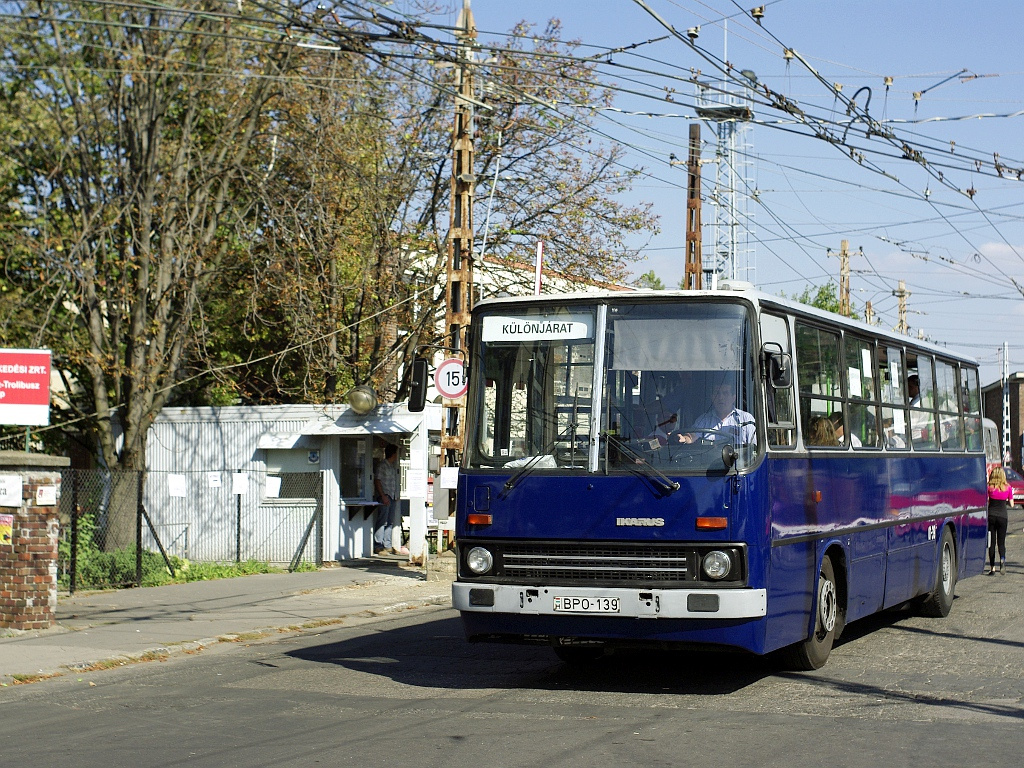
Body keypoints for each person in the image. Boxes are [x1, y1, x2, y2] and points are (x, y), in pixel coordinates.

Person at [676, 379, 756, 445]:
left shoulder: (746, 419)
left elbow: (753, 448)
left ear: (733, 397)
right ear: (712, 397)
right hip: (708, 463)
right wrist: (684, 439)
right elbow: (691, 436)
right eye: (717, 393)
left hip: (738, 463)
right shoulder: (704, 420)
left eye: (725, 393)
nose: (720, 397)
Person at [373, 444, 405, 556]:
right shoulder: (382, 465)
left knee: (390, 522)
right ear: (393, 454)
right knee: (383, 521)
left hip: (392, 496)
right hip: (385, 496)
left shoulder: (392, 466)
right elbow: (377, 480)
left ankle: (387, 545)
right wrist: (382, 495)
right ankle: (378, 545)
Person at [986, 466, 1014, 574]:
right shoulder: (1008, 488)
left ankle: (992, 568)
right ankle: (1002, 560)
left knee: (991, 543)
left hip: (991, 516)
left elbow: (987, 500)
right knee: (1001, 543)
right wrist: (1004, 501)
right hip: (1003, 517)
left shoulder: (989, 487)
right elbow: (1012, 504)